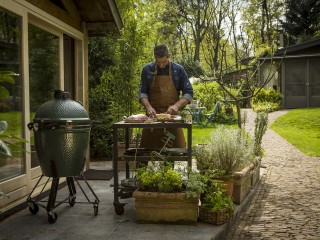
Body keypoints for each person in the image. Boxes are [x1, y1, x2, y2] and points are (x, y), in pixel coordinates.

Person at [139, 43, 193, 150]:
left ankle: (168, 167)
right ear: (155, 57)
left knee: (171, 151)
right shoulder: (147, 70)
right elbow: (142, 93)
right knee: (145, 153)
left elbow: (189, 93)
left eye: (163, 62)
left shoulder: (178, 70)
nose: (161, 65)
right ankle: (143, 167)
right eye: (158, 62)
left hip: (171, 119)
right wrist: (148, 107)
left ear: (169, 56)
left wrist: (176, 106)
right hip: (152, 118)